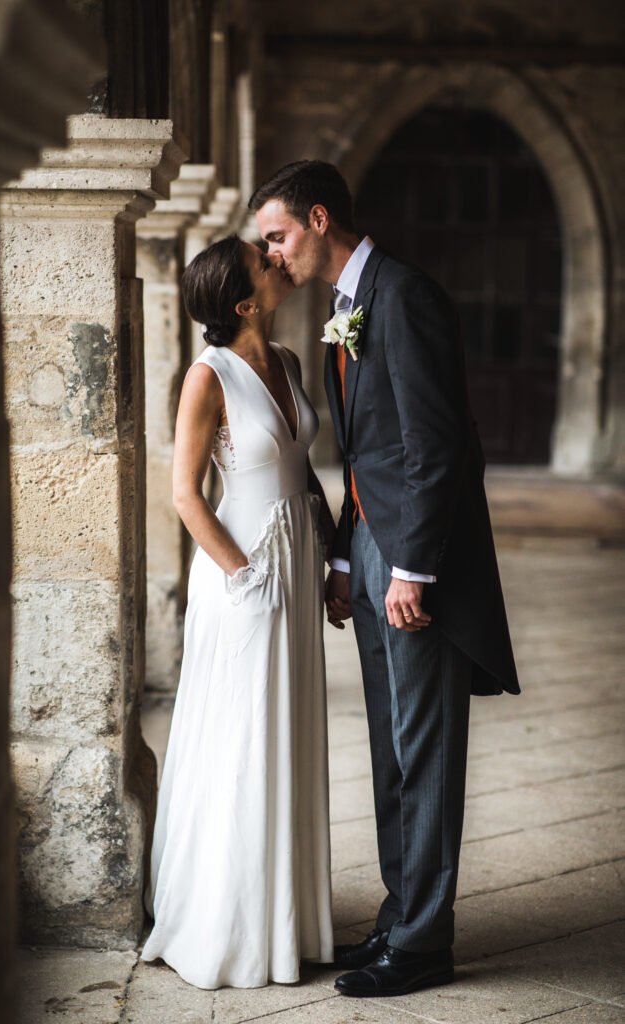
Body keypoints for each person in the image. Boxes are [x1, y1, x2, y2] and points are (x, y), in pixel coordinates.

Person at [250, 161, 520, 998]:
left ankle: (426, 941)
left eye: (277, 236)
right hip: (368, 545)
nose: (271, 255)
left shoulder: (403, 296)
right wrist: (343, 556)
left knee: (424, 750)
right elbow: (367, 450)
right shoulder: (345, 307)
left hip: (414, 558)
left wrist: (412, 568)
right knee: (389, 747)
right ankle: (401, 914)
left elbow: (436, 447)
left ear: (319, 219)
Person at [141, 234, 336, 989]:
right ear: (242, 301)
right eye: (264, 260)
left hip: (297, 565)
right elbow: (186, 494)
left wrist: (330, 558)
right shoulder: (207, 374)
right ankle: (230, 924)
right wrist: (245, 575)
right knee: (242, 737)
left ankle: (288, 920)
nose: (277, 258)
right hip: (244, 576)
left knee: (286, 733)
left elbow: (302, 472)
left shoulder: (286, 362)